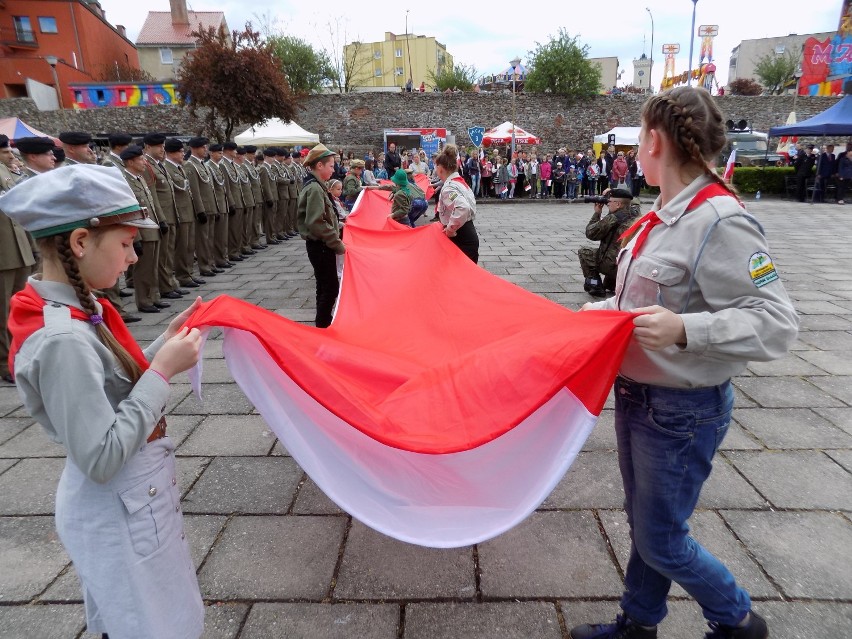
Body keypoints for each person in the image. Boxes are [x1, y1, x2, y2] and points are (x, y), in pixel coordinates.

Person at [571, 86, 798, 639]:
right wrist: (592, 314)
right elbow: (639, 301)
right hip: (640, 397)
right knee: (650, 528)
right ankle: (638, 624)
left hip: (681, 409)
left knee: (661, 538)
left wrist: (685, 330)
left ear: (654, 140)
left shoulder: (721, 221)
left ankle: (737, 619)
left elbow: (777, 322)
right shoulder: (665, 216)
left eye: (639, 132)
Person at [1, 164, 205, 638]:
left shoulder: (80, 308)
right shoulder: (63, 340)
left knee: (152, 616)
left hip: (133, 503)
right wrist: (162, 371)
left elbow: (111, 381)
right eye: (126, 243)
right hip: (117, 506)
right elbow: (101, 455)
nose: (134, 257)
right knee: (146, 625)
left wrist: (162, 346)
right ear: (78, 243)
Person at [297, 144, 344, 328]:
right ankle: (323, 325)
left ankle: (322, 322)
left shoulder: (317, 185)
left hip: (321, 245)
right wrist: (337, 243)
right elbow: (316, 222)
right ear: (319, 166)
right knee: (331, 288)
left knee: (323, 287)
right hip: (321, 246)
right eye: (331, 165)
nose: (334, 169)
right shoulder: (315, 188)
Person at [578, 188, 639, 297]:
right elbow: (632, 200)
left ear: (618, 204)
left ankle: (595, 285)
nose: (607, 204)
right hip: (629, 266)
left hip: (612, 265)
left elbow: (591, 233)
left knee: (584, 252)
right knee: (610, 283)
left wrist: (597, 213)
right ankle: (614, 284)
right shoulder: (636, 213)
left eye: (609, 202)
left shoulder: (613, 218)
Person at [433, 144, 479, 263]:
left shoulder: (449, 188)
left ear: (440, 169)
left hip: (461, 237)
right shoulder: (458, 182)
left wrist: (450, 230)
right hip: (467, 235)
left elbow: (462, 207)